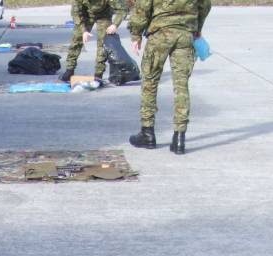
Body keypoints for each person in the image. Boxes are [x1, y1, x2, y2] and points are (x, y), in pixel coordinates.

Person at [127, 0, 210, 154]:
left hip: (160, 34)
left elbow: (143, 6)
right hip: (185, 34)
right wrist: (197, 28)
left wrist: (136, 34)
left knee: (150, 82)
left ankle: (147, 133)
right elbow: (205, 5)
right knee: (181, 85)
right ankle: (179, 137)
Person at [60, 0, 127, 84]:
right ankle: (69, 70)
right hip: (86, 15)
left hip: (104, 15)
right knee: (77, 39)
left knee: (103, 43)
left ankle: (98, 74)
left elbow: (123, 9)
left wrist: (115, 25)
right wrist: (84, 31)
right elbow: (76, 14)